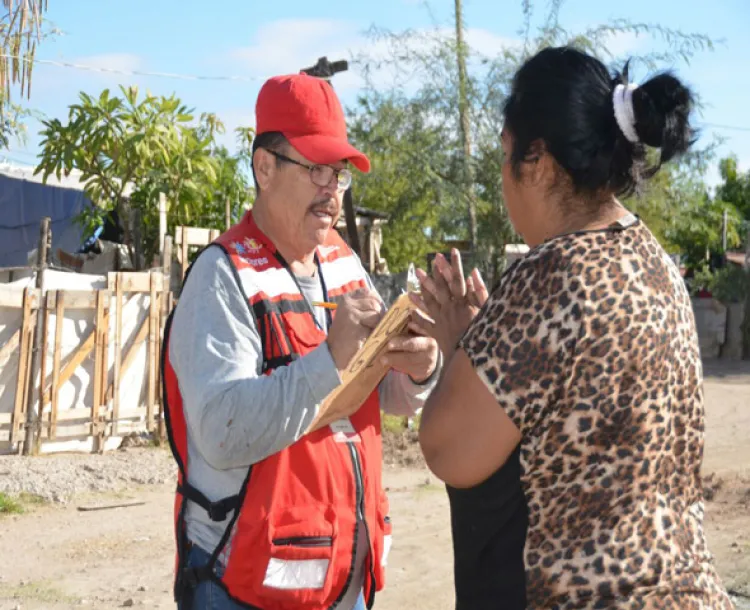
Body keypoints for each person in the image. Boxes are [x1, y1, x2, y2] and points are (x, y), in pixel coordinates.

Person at [413, 46, 735, 609]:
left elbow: (449, 448)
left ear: (535, 160)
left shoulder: (551, 274)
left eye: (506, 154)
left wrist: (459, 344)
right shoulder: (656, 264)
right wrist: (477, 345)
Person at [162, 73, 440, 610]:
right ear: (264, 168)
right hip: (242, 586)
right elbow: (222, 430)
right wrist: (330, 359)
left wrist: (421, 371)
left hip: (343, 583)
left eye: (338, 174)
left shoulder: (343, 263)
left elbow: (378, 396)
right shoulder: (222, 277)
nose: (331, 189)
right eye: (315, 169)